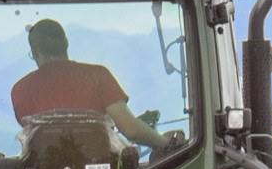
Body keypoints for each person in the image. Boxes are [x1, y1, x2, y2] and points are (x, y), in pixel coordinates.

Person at [11, 18, 165, 148]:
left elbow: (33, 139)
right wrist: (166, 142)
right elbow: (132, 131)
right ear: (66, 43)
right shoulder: (98, 75)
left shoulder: (19, 90)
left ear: (36, 52)